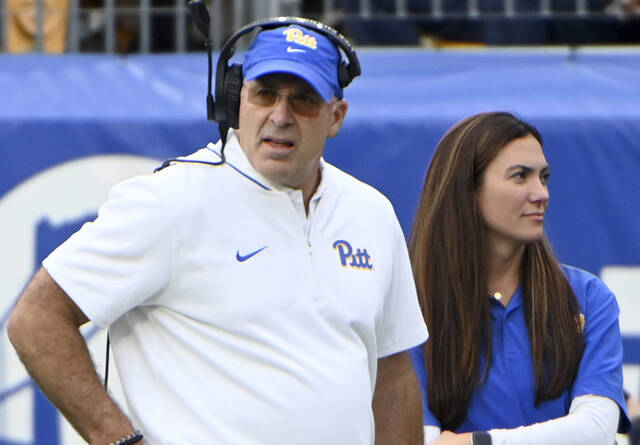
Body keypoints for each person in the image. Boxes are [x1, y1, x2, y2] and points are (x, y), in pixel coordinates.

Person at [7, 18, 428, 445]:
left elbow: (392, 376)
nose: (280, 117)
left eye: (303, 101)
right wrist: (117, 439)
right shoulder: (170, 200)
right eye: (265, 94)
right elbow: (36, 318)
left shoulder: (371, 211)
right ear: (236, 97)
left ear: (335, 116)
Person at [407, 111, 630, 444]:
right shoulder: (411, 304)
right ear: (466, 188)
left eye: (544, 177)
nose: (542, 193)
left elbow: (596, 429)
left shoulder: (587, 297)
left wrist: (478, 442)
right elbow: (419, 437)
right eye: (520, 176)